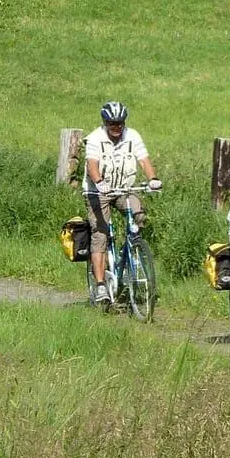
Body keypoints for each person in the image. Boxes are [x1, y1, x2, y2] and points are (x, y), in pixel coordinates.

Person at [84, 101, 162, 305]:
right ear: (105, 122)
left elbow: (144, 160)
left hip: (124, 189)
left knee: (139, 213)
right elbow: (92, 164)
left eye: (120, 123)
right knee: (100, 233)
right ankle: (101, 285)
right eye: (112, 123)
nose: (117, 127)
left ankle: (132, 248)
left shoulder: (132, 135)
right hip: (98, 191)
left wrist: (153, 179)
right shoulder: (95, 138)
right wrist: (99, 182)